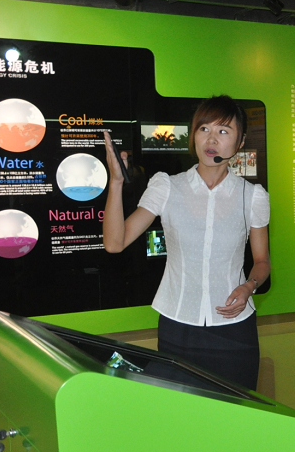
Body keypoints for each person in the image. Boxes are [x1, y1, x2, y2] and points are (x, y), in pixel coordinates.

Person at [102, 95, 270, 391]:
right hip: (177, 327)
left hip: (235, 331)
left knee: (236, 412)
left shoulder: (252, 196)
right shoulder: (168, 186)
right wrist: (115, 182)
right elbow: (115, 243)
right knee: (182, 413)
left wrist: (249, 286)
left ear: (240, 141)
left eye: (223, 131)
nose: (211, 139)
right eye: (204, 129)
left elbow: (262, 261)